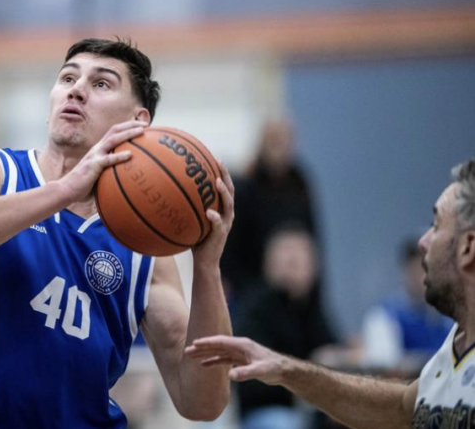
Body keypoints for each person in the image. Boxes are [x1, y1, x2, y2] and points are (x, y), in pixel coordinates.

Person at [0, 38, 236, 428]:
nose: (76, 89)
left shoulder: (145, 251)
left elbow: (201, 401)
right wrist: (62, 191)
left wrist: (208, 267)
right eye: (67, 78)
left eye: (102, 84)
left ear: (137, 123)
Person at [186, 159, 475, 429]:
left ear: (467, 248)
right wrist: (288, 371)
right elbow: (401, 407)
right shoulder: (456, 341)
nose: (423, 242)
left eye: (436, 226)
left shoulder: (312, 306)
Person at [233, 224, 340, 429]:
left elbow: (330, 348)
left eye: (302, 255)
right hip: (267, 411)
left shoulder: (312, 307)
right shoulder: (255, 308)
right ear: (268, 263)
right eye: (287, 255)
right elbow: (251, 381)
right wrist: (307, 372)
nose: (294, 262)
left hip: (312, 410)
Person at [221, 116, 319, 296]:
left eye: (283, 141)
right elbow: (230, 246)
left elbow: (313, 239)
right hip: (251, 288)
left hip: (297, 290)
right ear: (262, 142)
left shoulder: (300, 184)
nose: (278, 148)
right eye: (273, 140)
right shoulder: (245, 186)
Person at [361, 237, 453, 373]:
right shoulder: (383, 317)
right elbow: (385, 369)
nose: (423, 277)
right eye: (418, 268)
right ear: (406, 271)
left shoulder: (450, 315)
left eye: (429, 268)